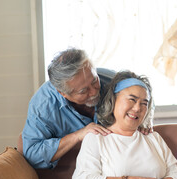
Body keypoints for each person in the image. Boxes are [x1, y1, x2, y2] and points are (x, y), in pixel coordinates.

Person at [21, 48, 150, 169]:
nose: (94, 92)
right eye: (83, 91)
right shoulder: (43, 105)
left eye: (94, 81)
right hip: (72, 168)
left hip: (117, 161)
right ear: (63, 93)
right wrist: (78, 136)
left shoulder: (110, 80)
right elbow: (32, 154)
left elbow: (145, 94)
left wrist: (144, 121)